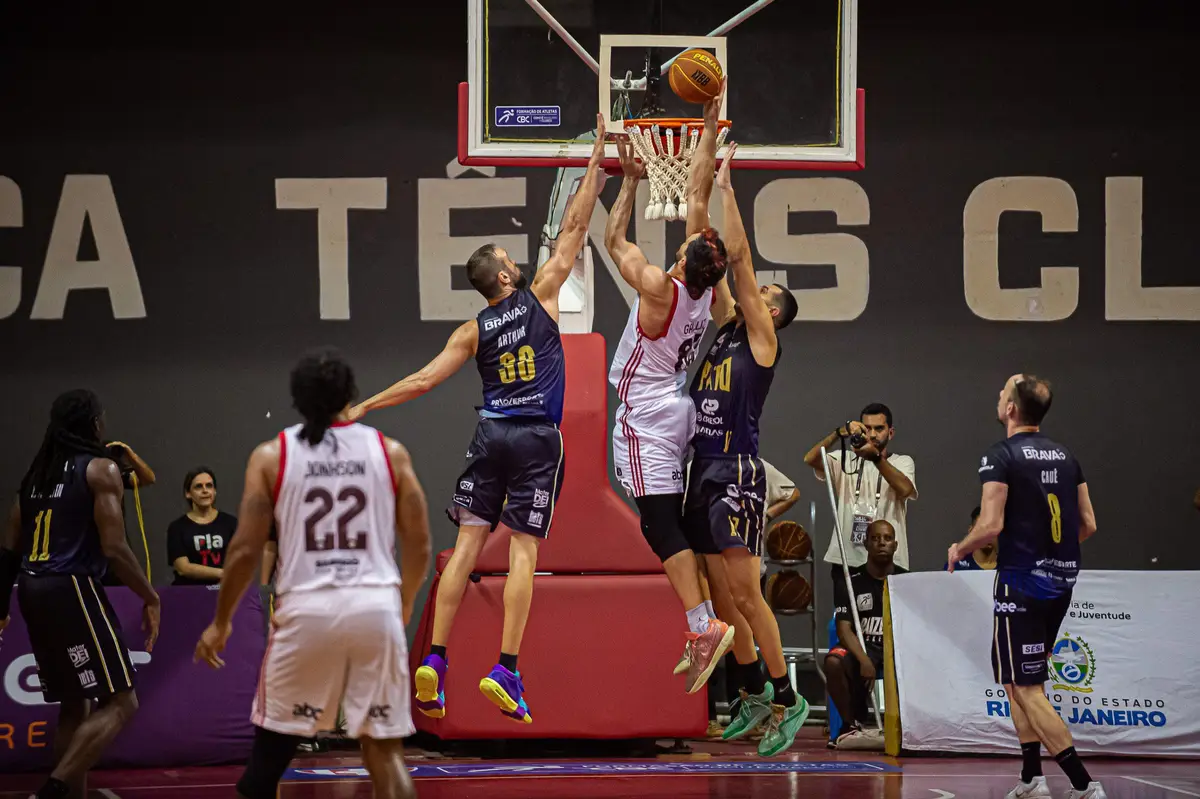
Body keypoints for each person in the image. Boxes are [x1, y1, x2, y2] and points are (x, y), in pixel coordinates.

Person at [348, 119, 609, 724]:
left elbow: (421, 381)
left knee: (464, 548)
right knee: (523, 553)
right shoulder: (542, 294)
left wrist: (365, 406)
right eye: (505, 256)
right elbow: (574, 225)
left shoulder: (470, 330)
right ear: (507, 276)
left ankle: (435, 661)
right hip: (538, 438)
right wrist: (598, 156)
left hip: (489, 433)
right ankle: (506, 669)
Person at [194, 349, 431, 799]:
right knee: (385, 755)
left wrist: (221, 621)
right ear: (352, 395)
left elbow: (244, 550)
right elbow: (419, 542)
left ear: (298, 401)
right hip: (374, 607)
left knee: (267, 763)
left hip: (306, 610)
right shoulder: (390, 451)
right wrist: (404, 600)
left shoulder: (272, 455)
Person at [679, 139, 806, 757]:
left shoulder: (760, 337)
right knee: (722, 593)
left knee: (748, 593)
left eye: (769, 294)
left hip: (735, 469)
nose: (761, 292)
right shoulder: (728, 327)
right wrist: (698, 180)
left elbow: (739, 260)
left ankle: (788, 696)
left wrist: (729, 187)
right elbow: (708, 248)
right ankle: (751, 689)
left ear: (776, 313)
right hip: (701, 466)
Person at [605, 88, 733, 695]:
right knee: (671, 524)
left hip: (648, 415)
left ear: (684, 259)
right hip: (677, 406)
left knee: (659, 528)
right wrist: (707, 123)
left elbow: (613, 243)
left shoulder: (662, 287)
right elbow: (700, 193)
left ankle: (702, 624)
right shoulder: (705, 291)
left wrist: (629, 183)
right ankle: (702, 620)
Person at [948, 374, 1104, 799]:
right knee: (1018, 682)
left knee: (1028, 689)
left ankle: (1084, 785)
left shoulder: (1000, 455)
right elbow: (1087, 524)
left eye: (1002, 393)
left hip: (1020, 582)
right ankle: (1032, 778)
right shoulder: (1066, 456)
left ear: (1012, 409)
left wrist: (960, 549)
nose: (997, 397)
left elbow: (991, 525)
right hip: (1062, 580)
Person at [0, 389, 160, 799]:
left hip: (31, 589)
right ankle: (54, 791)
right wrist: (150, 595)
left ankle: (73, 795)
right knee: (123, 701)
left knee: (74, 702)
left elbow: (8, 550)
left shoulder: (34, 478)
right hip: (70, 586)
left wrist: (1, 604)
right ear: (93, 424)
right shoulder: (100, 470)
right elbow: (114, 548)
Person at [803, 404, 917, 594]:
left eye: (879, 429)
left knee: (890, 621)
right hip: (847, 559)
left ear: (890, 433)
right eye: (867, 428)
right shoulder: (845, 460)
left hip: (889, 560)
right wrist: (839, 433)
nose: (872, 435)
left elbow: (905, 489)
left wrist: (876, 459)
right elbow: (810, 459)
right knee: (846, 621)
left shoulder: (902, 462)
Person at [824, 520, 905, 747]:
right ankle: (849, 726)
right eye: (876, 538)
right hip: (863, 647)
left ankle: (906, 726)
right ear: (866, 543)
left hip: (896, 649)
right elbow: (843, 628)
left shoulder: (905, 580)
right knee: (833, 662)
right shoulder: (849, 582)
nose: (882, 543)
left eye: (887, 538)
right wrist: (864, 660)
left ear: (895, 545)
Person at [167, 466, 237, 585]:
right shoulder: (177, 528)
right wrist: (223, 573)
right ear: (188, 493)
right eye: (198, 486)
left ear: (214, 491)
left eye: (209, 486)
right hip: (189, 593)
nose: (205, 490)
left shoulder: (230, 523)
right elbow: (183, 568)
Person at [944, 507, 997, 571]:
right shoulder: (955, 566)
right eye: (981, 530)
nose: (987, 535)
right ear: (971, 531)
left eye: (991, 529)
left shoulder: (1009, 565)